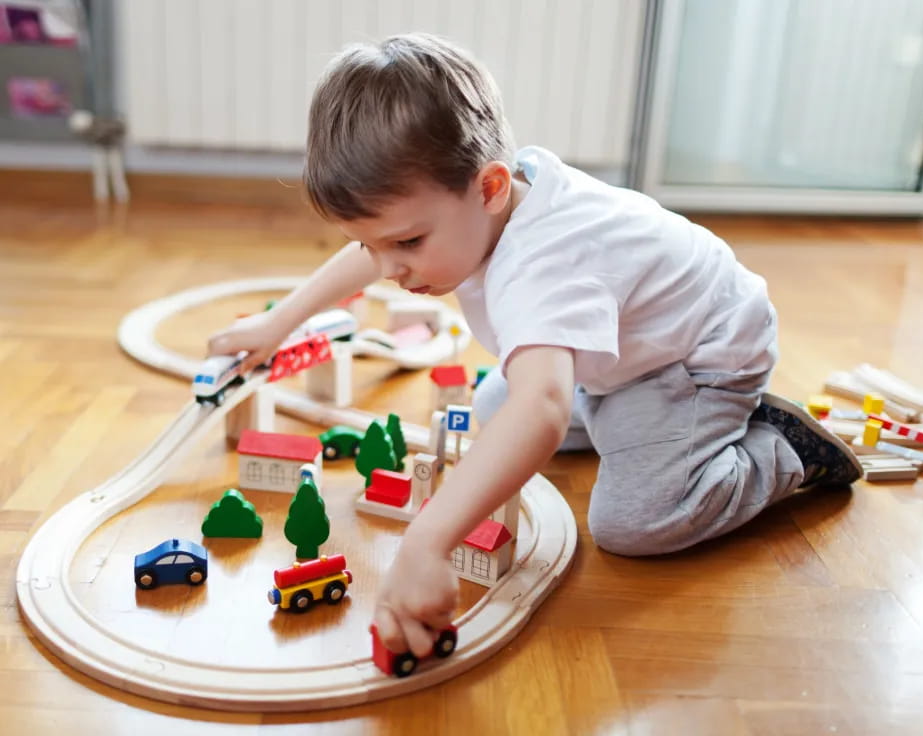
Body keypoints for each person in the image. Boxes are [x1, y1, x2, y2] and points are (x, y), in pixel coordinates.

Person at [207, 33, 862, 658]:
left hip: (692, 360)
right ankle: (624, 416)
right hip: (617, 354)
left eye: (407, 244)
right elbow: (370, 255)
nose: (391, 270)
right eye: (376, 245)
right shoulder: (488, 192)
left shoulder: (544, 263)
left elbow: (543, 410)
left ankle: (779, 451)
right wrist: (279, 324)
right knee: (493, 420)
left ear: (490, 188)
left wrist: (429, 542)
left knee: (632, 525)